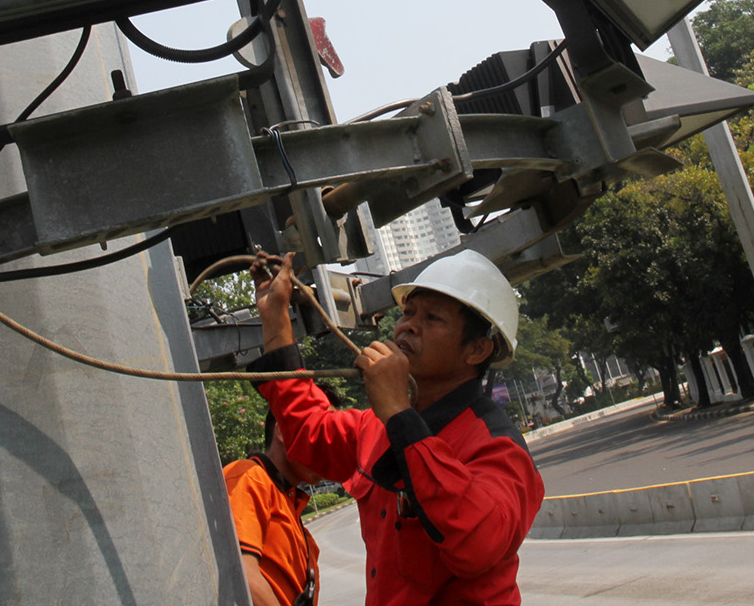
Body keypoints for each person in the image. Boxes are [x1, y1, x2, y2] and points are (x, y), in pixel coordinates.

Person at [251, 249, 544, 605]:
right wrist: (275, 319)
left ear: (478, 349)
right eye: (407, 312)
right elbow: (307, 429)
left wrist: (400, 417)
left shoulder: (497, 448)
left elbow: (476, 544)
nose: (407, 325)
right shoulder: (379, 426)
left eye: (433, 318)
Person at [223, 386, 341, 606]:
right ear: (281, 431)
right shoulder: (249, 477)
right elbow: (243, 576)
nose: (329, 449)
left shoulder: (289, 506)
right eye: (320, 434)